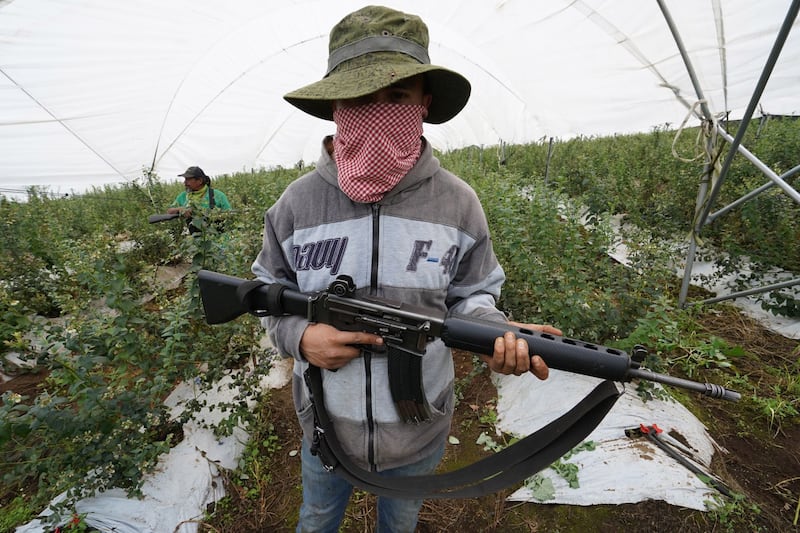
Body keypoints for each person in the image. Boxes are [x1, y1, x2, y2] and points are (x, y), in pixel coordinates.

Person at [251, 6, 560, 532]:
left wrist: (495, 334)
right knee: (318, 518)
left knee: (400, 524)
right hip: (325, 429)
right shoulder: (296, 206)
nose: (377, 111)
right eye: (360, 99)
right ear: (335, 109)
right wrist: (301, 338)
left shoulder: (458, 203)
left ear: (424, 102)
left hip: (418, 428)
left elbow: (473, 294)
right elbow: (265, 291)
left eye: (395, 97)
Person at [167, 166, 231, 234]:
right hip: (193, 241)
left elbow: (230, 216)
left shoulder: (218, 195)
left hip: (218, 240)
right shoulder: (183, 196)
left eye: (188, 179)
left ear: (199, 181)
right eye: (185, 179)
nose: (185, 183)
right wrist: (180, 209)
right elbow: (169, 211)